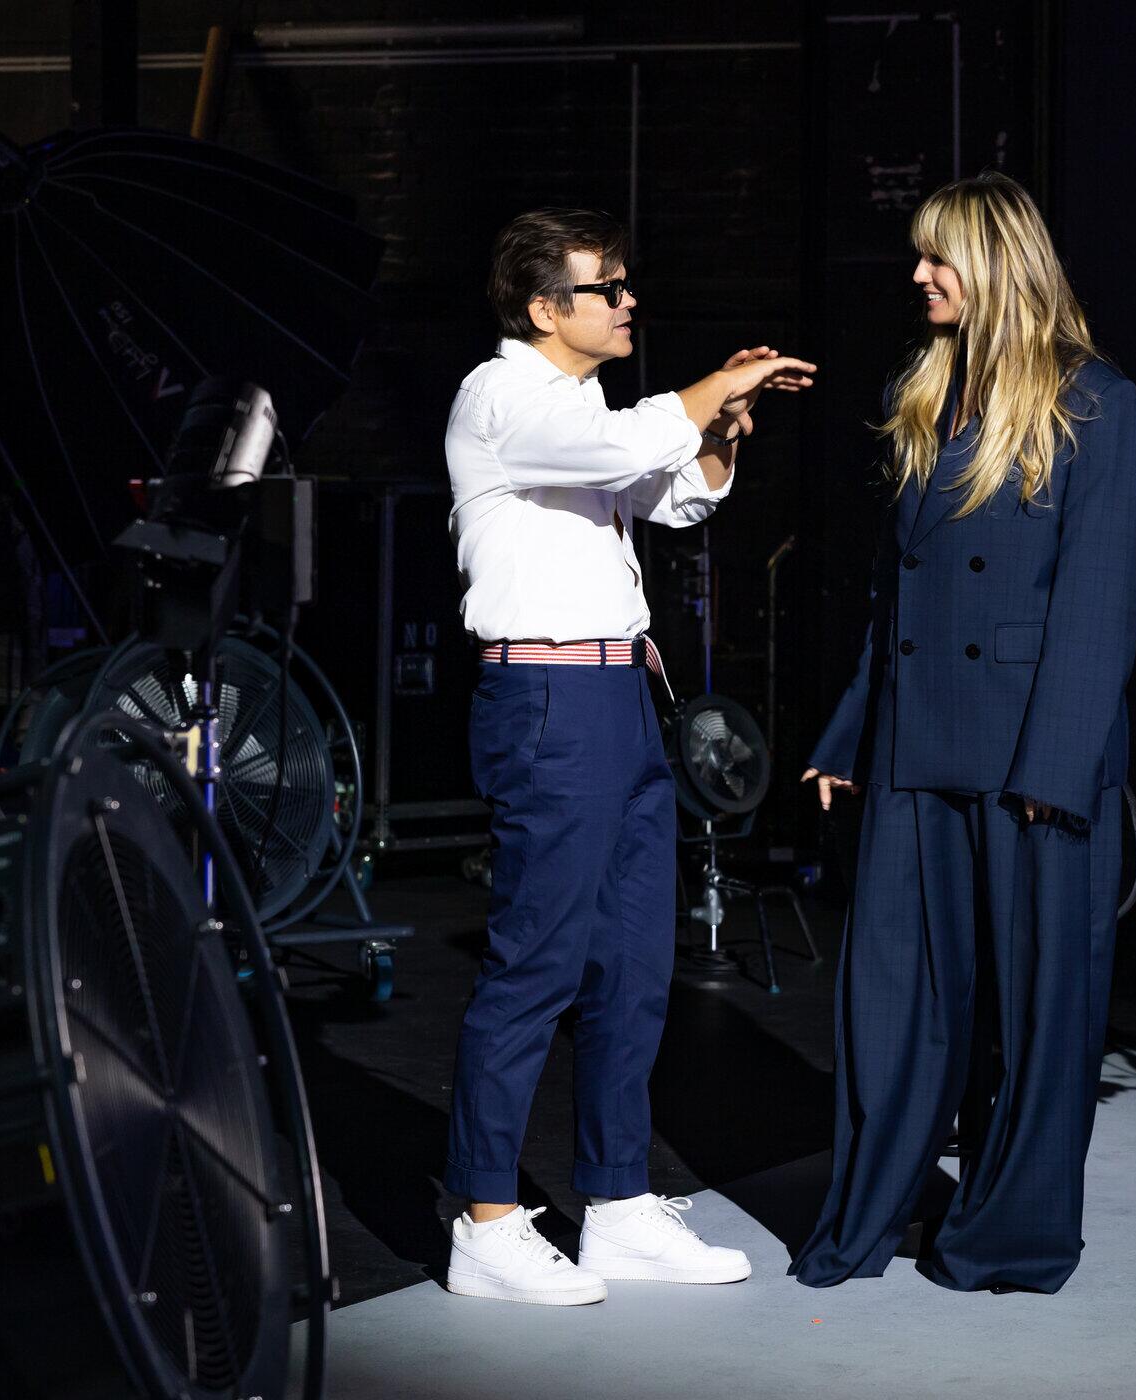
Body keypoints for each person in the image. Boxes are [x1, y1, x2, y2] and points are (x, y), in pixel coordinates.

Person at [441, 206, 816, 1305]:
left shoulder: (586, 406)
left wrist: (722, 426)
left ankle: (616, 1203)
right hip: (549, 699)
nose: (626, 300)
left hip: (621, 695)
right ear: (543, 307)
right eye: (605, 288)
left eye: (623, 282)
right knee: (537, 964)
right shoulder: (499, 395)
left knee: (635, 965)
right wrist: (706, 389)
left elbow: (675, 497)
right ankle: (484, 1221)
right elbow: (621, 451)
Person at [791, 171, 1136, 1294]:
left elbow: (1098, 598)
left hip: (1033, 752)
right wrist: (852, 732)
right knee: (896, 995)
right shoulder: (927, 389)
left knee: (1041, 1012)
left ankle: (1010, 1237)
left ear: (995, 264)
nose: (919, 275)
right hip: (917, 739)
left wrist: (1058, 767)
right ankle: (867, 1215)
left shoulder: (1096, 400)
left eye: (938, 256)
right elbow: (898, 589)